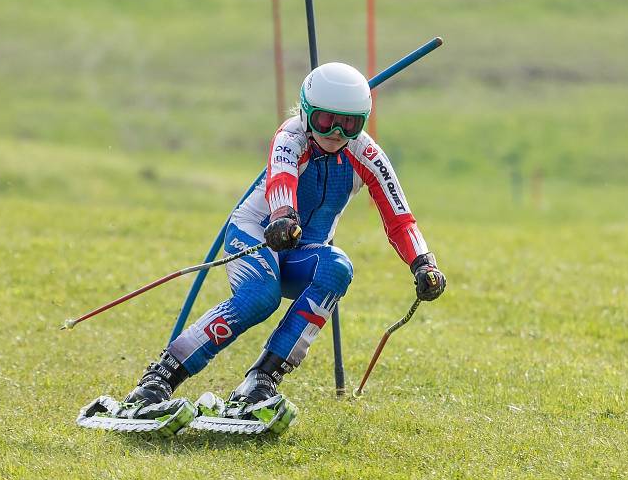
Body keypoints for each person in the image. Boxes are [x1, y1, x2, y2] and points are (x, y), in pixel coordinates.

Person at [122, 62, 446, 412]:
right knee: (260, 296)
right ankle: (161, 377)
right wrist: (282, 216)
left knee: (337, 268)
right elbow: (282, 179)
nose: (336, 131)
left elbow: (399, 218)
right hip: (257, 234)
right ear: (306, 112)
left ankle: (261, 379)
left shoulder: (365, 154)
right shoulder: (292, 136)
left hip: (301, 249)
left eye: (350, 123)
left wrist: (423, 263)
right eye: (325, 120)